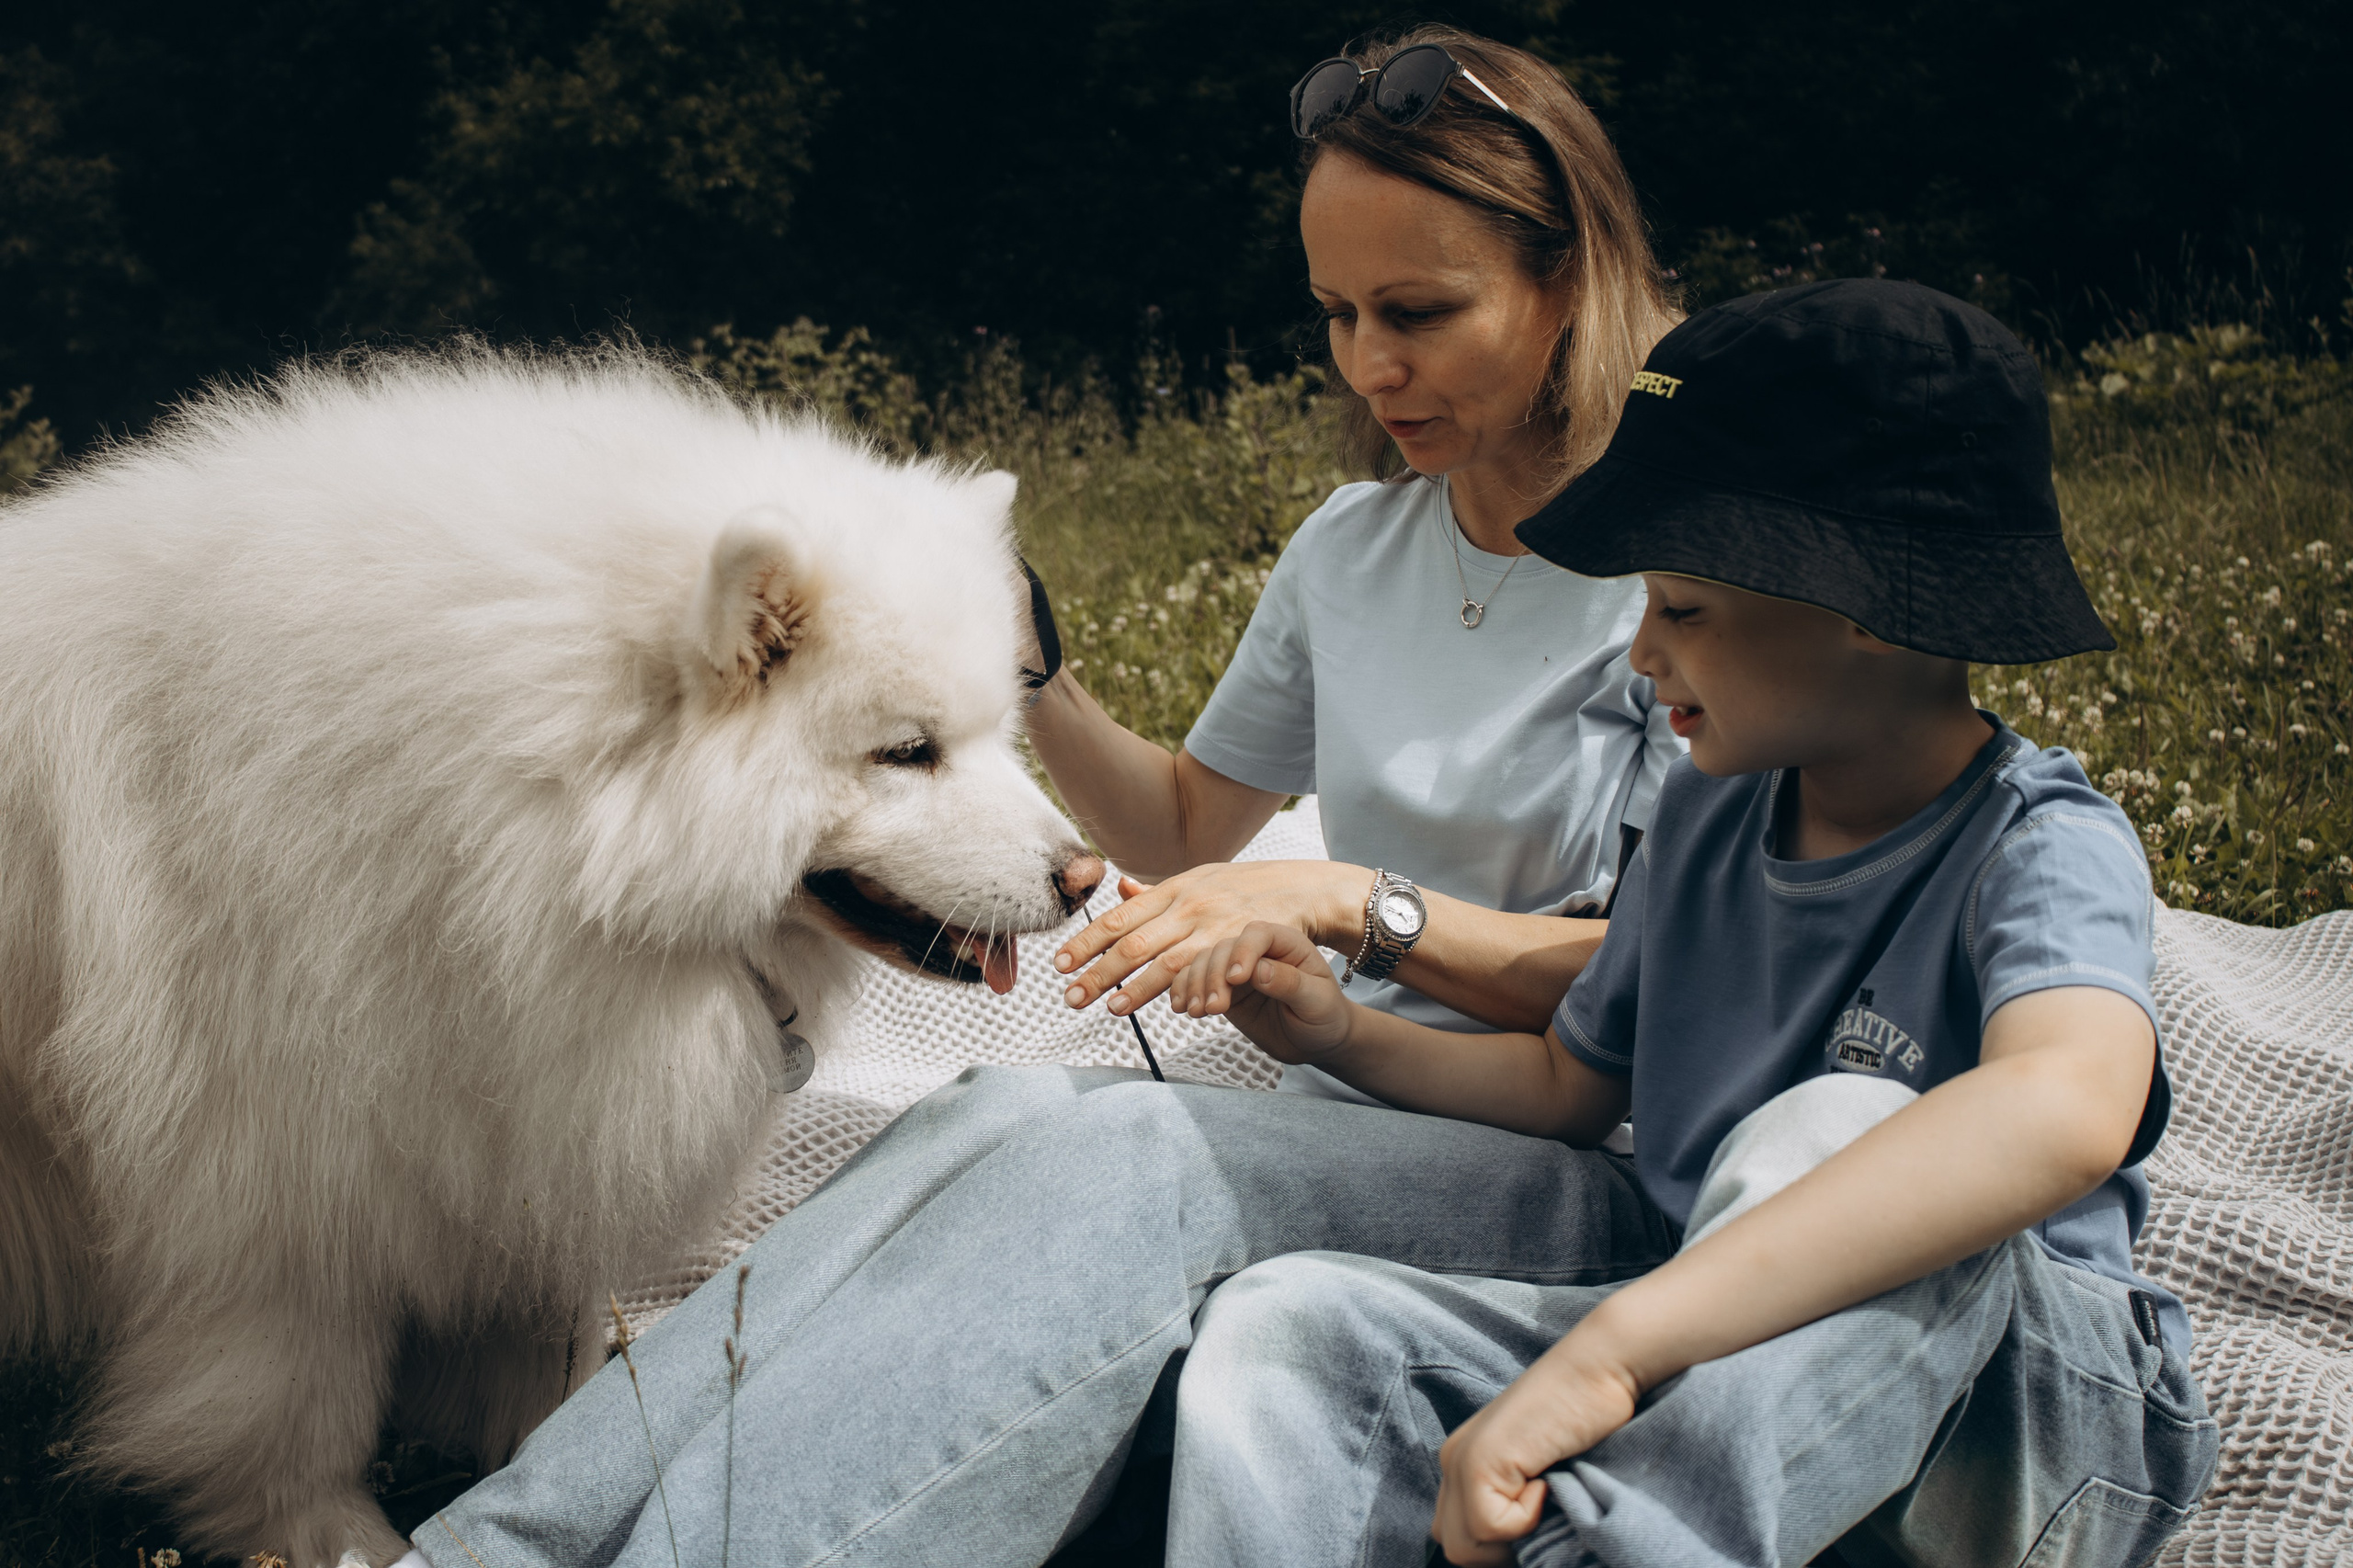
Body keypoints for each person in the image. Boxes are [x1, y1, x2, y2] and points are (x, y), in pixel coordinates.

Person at [1154, 278, 2218, 1564]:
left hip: (2024, 1402)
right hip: (1713, 1352)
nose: (1640, 653)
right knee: (1285, 1326)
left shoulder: (2041, 842)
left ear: (1871, 608)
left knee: (1837, 1127)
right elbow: (1568, 1084)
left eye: (1684, 610)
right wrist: (1335, 1030)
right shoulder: (1712, 811)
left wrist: (1617, 1348)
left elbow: (2064, 1108)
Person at [1024, 25, 1683, 1093]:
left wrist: (1342, 902)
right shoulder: (1349, 544)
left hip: (1548, 1129)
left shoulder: (1689, 586)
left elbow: (1670, 975)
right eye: (1338, 313)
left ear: (1570, 281)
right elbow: (1185, 830)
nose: (1369, 367)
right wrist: (1031, 665)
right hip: (1332, 1089)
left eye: (1417, 312)